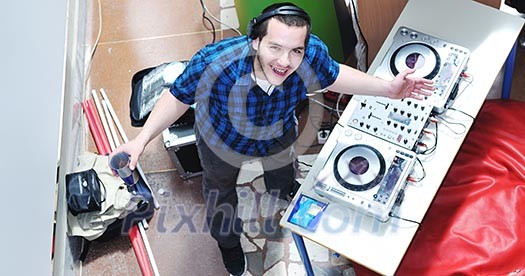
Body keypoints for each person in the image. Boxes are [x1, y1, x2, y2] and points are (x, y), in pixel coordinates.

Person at [111, 2, 433, 275]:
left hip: (278, 131)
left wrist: (389, 89)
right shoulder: (215, 62)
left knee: (283, 166)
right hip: (221, 141)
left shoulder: (311, 54)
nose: (284, 61)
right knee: (220, 193)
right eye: (275, 47)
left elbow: (335, 74)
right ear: (255, 41)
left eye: (295, 51)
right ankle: (228, 242)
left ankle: (283, 189)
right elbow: (178, 95)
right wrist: (140, 141)